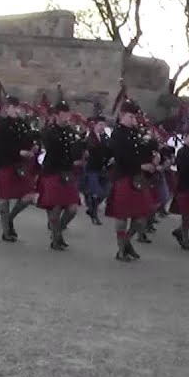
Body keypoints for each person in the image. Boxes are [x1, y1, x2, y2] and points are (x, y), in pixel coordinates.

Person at [105, 101, 157, 261]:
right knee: (122, 218)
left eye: (134, 116)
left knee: (141, 218)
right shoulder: (117, 134)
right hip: (124, 177)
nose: (133, 119)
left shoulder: (136, 132)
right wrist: (143, 165)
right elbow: (121, 157)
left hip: (138, 179)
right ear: (121, 115)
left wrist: (154, 153)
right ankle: (121, 251)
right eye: (130, 116)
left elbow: (144, 149)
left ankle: (126, 243)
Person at [0, 98, 39, 242]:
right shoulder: (1, 125)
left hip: (21, 166)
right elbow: (0, 146)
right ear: (6, 108)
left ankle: (10, 218)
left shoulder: (23, 124)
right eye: (12, 107)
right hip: (6, 164)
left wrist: (33, 147)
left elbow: (28, 140)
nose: (16, 110)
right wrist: (19, 152)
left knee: (29, 196)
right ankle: (6, 231)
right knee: (5, 199)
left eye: (17, 107)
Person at [36, 104, 85, 249]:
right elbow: (52, 150)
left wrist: (80, 148)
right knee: (55, 208)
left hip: (67, 172)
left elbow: (75, 150)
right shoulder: (49, 131)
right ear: (56, 115)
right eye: (63, 114)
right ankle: (56, 239)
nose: (67, 117)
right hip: (52, 171)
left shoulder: (71, 131)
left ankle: (57, 231)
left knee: (72, 208)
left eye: (68, 113)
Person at [81, 116, 110, 224]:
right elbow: (91, 150)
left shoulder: (105, 137)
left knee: (105, 191)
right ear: (95, 125)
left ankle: (91, 208)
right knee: (96, 192)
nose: (102, 127)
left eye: (104, 125)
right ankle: (94, 215)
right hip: (92, 167)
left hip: (102, 168)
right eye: (100, 125)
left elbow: (109, 149)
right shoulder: (90, 137)